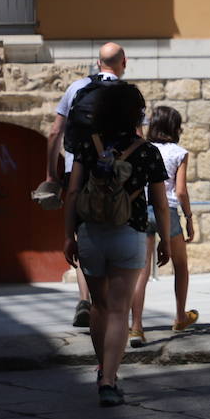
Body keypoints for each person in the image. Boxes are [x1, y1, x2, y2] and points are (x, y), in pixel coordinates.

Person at [62, 81, 169, 407]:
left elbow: (73, 193)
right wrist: (164, 238)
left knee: (99, 306)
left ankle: (101, 368)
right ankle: (109, 379)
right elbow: (161, 203)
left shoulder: (86, 147)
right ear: (136, 114)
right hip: (130, 233)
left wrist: (69, 235)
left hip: (92, 234)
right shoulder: (147, 151)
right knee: (120, 310)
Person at [34, 42, 127, 328]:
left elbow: (54, 132)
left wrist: (51, 175)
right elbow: (138, 138)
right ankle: (110, 305)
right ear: (123, 63)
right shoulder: (127, 93)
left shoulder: (76, 89)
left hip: (79, 172)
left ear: (98, 63)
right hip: (116, 176)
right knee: (116, 235)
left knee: (83, 238)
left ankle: (86, 300)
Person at [130, 106, 199, 346]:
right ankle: (180, 316)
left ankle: (137, 327)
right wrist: (189, 218)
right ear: (174, 128)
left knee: (142, 270)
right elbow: (180, 191)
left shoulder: (141, 149)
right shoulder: (179, 153)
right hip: (167, 211)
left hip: (142, 210)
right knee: (181, 265)